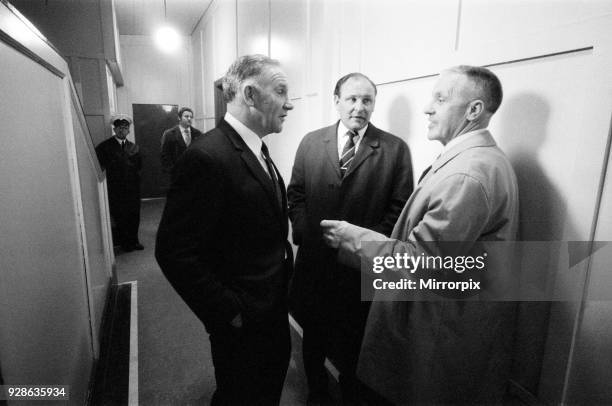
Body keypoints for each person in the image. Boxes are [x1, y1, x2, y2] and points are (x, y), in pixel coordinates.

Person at [321, 65, 519, 404]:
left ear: (474, 110)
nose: (428, 107)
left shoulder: (468, 174)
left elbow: (422, 262)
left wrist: (351, 237)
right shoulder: (472, 160)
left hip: (435, 335)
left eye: (440, 99)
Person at [155, 54, 294, 406]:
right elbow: (174, 252)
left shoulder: (257, 148)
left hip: (271, 308)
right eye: (281, 91)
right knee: (240, 395)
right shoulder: (206, 157)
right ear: (250, 94)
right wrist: (228, 311)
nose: (289, 103)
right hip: (243, 321)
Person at [287, 72, 413, 403]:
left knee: (355, 341)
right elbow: (296, 194)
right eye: (352, 99)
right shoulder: (312, 142)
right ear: (337, 101)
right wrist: (303, 232)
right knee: (313, 336)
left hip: (361, 268)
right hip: (316, 261)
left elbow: (399, 209)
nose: (359, 107)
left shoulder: (395, 150)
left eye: (367, 100)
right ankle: (316, 392)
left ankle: (350, 394)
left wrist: (366, 248)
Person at [96, 114, 143, 252]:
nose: (123, 130)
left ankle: (134, 241)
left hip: (132, 189)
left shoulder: (134, 147)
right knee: (120, 216)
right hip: (115, 189)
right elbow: (99, 168)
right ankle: (125, 243)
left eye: (125, 127)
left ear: (129, 130)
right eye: (120, 128)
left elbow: (139, 167)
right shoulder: (105, 147)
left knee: (134, 215)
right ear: (114, 129)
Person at [160, 107, 203, 183]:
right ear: (179, 118)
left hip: (194, 175)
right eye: (186, 116)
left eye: (191, 117)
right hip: (176, 175)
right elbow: (165, 155)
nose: (189, 119)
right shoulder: (169, 134)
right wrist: (172, 171)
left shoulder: (198, 134)